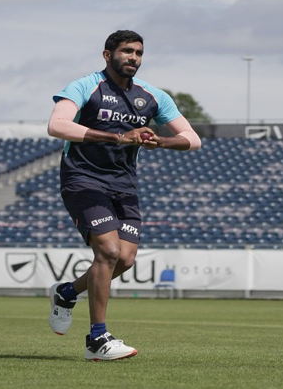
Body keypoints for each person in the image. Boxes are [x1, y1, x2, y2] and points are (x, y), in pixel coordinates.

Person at [47, 30, 201, 361]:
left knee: (125, 259)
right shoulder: (85, 86)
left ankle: (67, 293)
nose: (133, 57)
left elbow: (193, 138)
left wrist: (160, 141)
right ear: (107, 55)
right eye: (127, 51)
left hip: (124, 184)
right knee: (109, 251)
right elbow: (58, 126)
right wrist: (118, 137)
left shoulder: (153, 96)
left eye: (139, 53)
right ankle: (97, 340)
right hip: (83, 178)